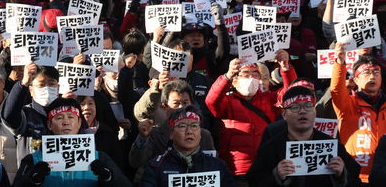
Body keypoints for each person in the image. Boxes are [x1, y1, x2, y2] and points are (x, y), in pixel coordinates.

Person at [205, 51, 296, 186]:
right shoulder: (226, 102)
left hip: (266, 167)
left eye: (255, 75)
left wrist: (286, 68)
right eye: (246, 75)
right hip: (237, 171)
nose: (251, 78)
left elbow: (290, 94)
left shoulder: (269, 98)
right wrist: (227, 76)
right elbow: (211, 101)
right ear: (234, 82)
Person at [247, 86, 362, 187]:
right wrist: (276, 177)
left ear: (315, 112)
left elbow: (356, 181)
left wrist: (342, 175)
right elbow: (254, 182)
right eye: (295, 107)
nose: (303, 111)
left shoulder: (333, 147)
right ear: (284, 115)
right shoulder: (269, 149)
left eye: (308, 106)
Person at [11, 97, 132, 186]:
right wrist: (32, 179)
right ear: (49, 125)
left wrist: (108, 176)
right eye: (59, 118)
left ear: (80, 123)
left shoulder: (99, 157)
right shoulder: (33, 159)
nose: (66, 122)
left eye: (71, 117)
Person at [129, 80, 215, 184]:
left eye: (185, 103)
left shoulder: (204, 135)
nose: (181, 108)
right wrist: (143, 137)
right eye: (176, 103)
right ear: (164, 107)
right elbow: (136, 162)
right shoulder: (153, 134)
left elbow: (211, 170)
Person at [139, 104, 236, 187]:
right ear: (171, 134)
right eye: (182, 126)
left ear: (200, 133)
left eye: (194, 126)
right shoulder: (156, 167)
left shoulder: (218, 166)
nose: (189, 131)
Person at [331, 42, 386, 183]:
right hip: (353, 176)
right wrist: (340, 62)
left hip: (382, 175)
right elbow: (336, 90)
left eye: (376, 73)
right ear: (356, 80)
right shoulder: (347, 104)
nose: (372, 76)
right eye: (366, 73)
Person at [0, 62, 60, 167]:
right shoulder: (27, 115)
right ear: (31, 90)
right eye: (41, 85)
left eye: (51, 84)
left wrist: (72, 106)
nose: (46, 89)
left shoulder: (67, 115)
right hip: (31, 179)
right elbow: (8, 116)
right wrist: (23, 84)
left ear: (58, 89)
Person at [76, 94, 124, 170]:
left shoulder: (107, 132)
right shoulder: (69, 132)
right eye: (82, 104)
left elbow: (117, 164)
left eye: (90, 103)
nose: (86, 108)